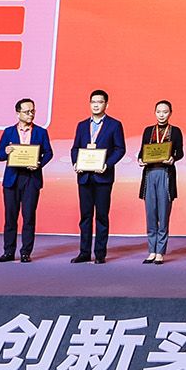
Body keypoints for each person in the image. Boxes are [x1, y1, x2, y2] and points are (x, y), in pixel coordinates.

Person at [0, 98, 54, 263]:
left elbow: (49, 153)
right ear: (18, 113)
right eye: (27, 112)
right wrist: (6, 151)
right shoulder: (8, 132)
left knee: (28, 218)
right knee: (10, 218)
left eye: (33, 111)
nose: (30, 114)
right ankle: (8, 252)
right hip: (12, 180)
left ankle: (26, 252)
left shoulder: (41, 132)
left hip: (31, 179)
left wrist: (38, 164)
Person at [71, 89, 126, 264]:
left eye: (100, 102)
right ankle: (84, 252)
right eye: (93, 102)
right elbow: (75, 148)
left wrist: (107, 164)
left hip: (103, 177)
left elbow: (120, 149)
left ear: (106, 105)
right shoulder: (81, 125)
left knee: (102, 216)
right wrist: (76, 163)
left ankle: (100, 253)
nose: (96, 105)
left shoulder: (114, 125)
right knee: (85, 217)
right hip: (84, 177)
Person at [138, 99, 183, 264]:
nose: (161, 115)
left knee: (163, 214)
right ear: (154, 113)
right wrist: (140, 159)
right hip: (150, 173)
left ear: (170, 113)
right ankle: (151, 250)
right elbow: (142, 151)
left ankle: (160, 251)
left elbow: (180, 152)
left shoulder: (175, 131)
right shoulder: (148, 130)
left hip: (165, 174)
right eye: (158, 112)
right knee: (151, 213)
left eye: (165, 112)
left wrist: (173, 159)